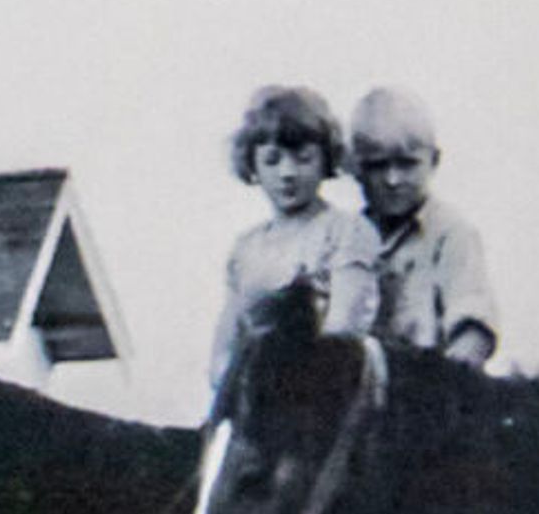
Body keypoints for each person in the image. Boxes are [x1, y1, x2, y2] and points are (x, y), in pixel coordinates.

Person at [211, 86, 382, 393]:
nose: (287, 173)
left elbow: (344, 332)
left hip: (323, 394)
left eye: (303, 159)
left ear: (325, 160)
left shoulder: (345, 231)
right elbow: (225, 346)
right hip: (256, 397)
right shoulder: (247, 248)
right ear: (253, 165)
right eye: (272, 160)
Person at [348, 89, 500, 366]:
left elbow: (472, 326)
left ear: (434, 160)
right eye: (378, 166)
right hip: (362, 391)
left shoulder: (451, 234)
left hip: (428, 390)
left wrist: (454, 372)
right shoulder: (345, 236)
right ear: (356, 169)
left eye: (407, 165)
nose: (393, 180)